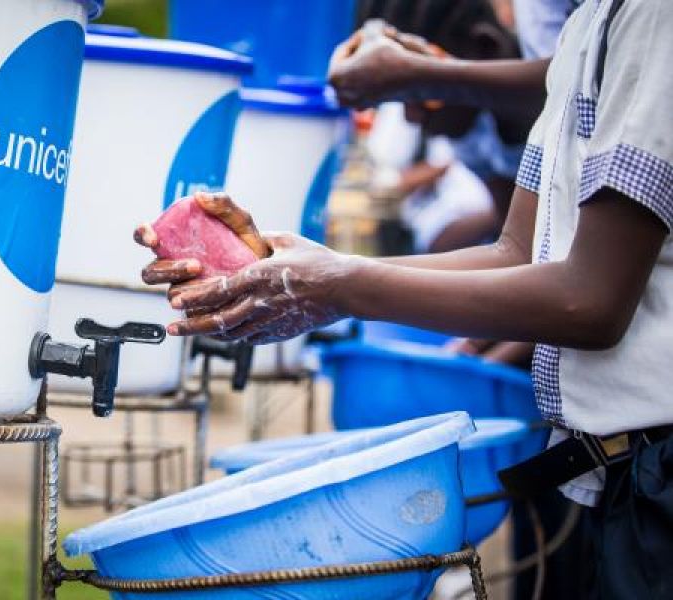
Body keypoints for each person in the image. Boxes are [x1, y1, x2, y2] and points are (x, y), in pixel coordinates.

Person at [136, 0, 673, 596]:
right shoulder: (584, 29)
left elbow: (590, 301)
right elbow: (516, 253)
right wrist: (308, 270)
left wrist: (335, 284)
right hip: (613, 475)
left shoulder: (652, 19)